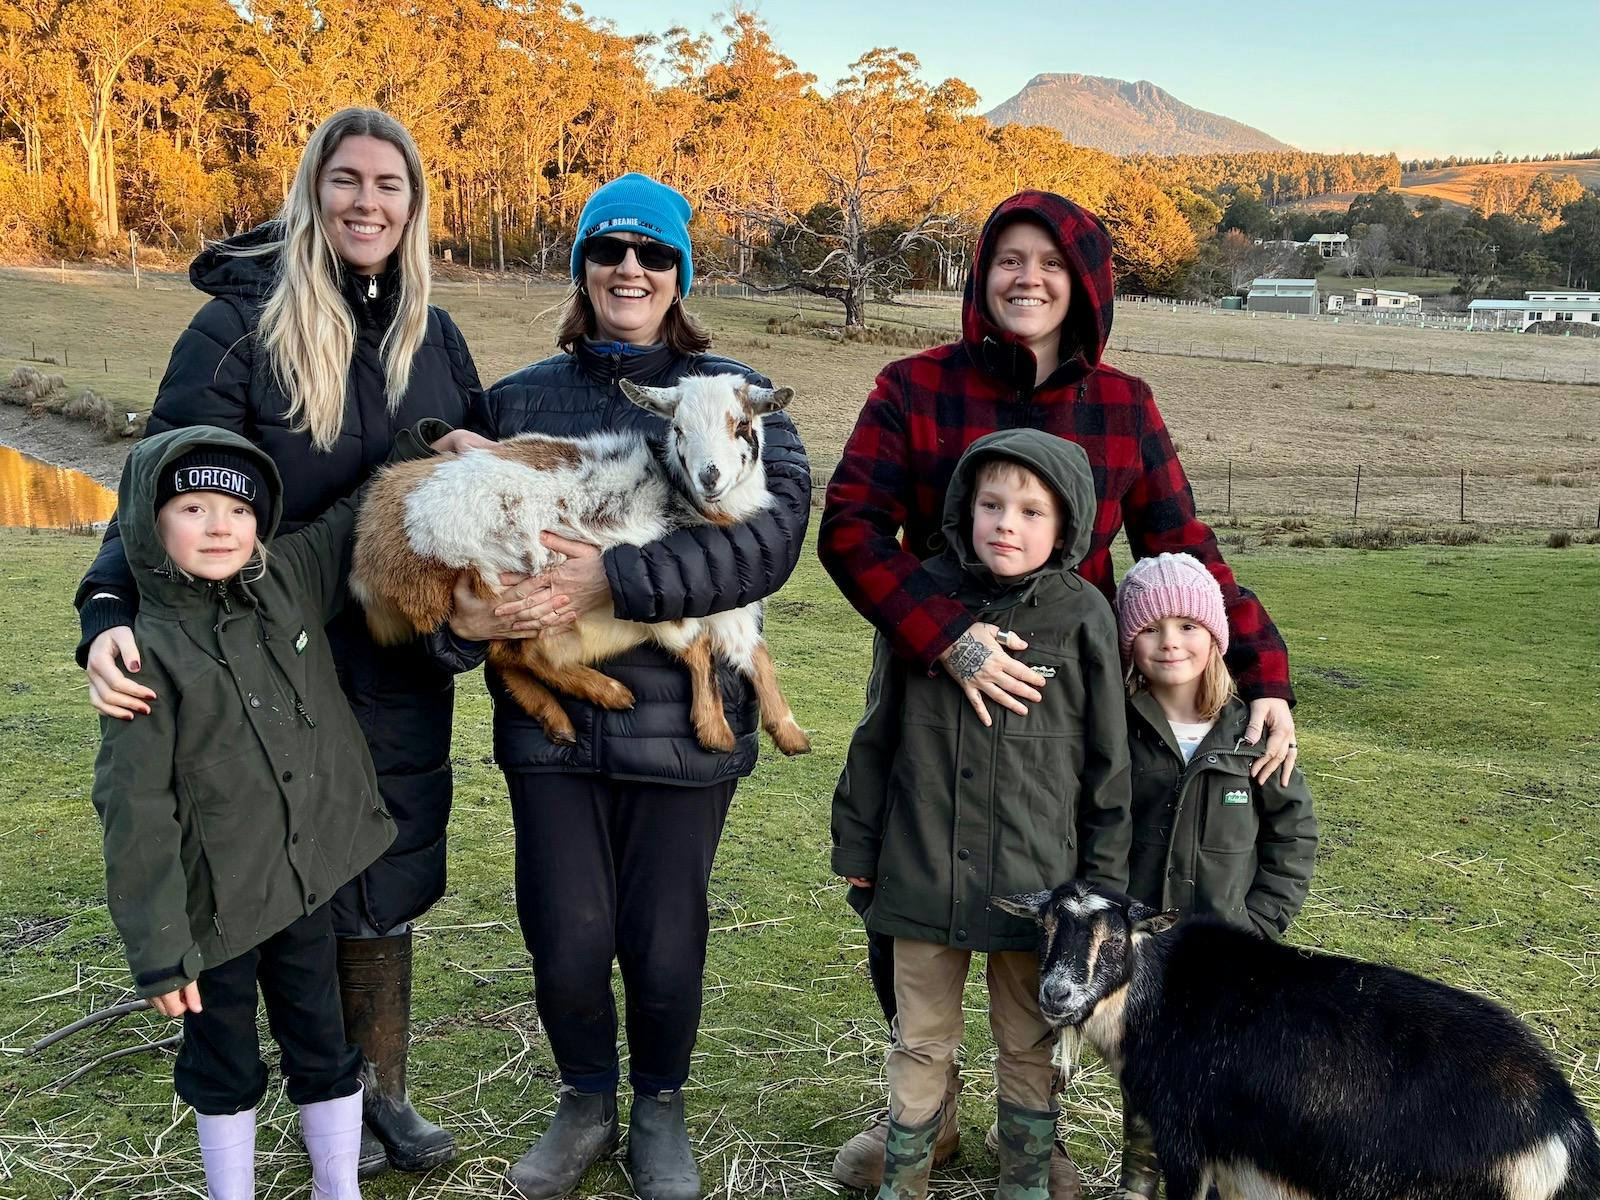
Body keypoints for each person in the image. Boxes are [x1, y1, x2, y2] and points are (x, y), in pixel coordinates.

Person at [817, 189, 1300, 1194]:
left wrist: (1263, 673)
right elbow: (850, 528)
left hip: (1056, 716)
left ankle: (1036, 1141)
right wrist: (943, 635)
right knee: (920, 925)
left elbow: (1182, 552)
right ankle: (927, 1121)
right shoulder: (914, 389)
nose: (1024, 278)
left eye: (1047, 261)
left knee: (1042, 944)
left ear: (1085, 283)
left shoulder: (1122, 407)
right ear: (980, 275)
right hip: (932, 696)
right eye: (1005, 258)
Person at [72, 108, 504, 1177]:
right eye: (347, 180)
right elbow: (165, 481)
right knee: (262, 867)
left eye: (390, 185)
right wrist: (103, 613)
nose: (368, 203)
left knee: (385, 871)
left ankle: (376, 1094)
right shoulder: (236, 328)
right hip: (263, 658)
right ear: (313, 191)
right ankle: (274, 1079)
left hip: (398, 658)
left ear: (415, 206)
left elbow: (465, 488)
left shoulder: (435, 340)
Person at [436, 173, 810, 1200]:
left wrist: (616, 576)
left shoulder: (735, 392)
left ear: (680, 273)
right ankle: (583, 1102)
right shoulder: (515, 399)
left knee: (662, 935)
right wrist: (460, 630)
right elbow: (460, 539)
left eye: (653, 255)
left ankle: (658, 1111)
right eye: (609, 252)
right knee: (564, 934)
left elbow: (768, 545)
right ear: (583, 270)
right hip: (548, 725)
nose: (630, 270)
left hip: (683, 730)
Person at [91, 426, 404, 1200]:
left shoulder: (287, 579)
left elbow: (354, 515)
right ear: (150, 525)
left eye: (236, 508)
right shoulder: (142, 653)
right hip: (214, 912)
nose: (219, 526)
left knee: (323, 1041)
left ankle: (340, 1187)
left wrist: (428, 445)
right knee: (222, 1061)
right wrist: (161, 948)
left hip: (303, 886)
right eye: (192, 508)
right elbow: (133, 811)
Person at [830, 429, 1131, 1200]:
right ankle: (907, 1177)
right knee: (920, 1038)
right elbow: (876, 733)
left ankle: (1025, 1178)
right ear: (963, 509)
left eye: (1032, 510)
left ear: (1066, 526)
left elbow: (1107, 766)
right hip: (923, 867)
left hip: (1038, 888)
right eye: (991, 504)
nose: (1007, 522)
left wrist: (1098, 885)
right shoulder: (921, 600)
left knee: (1028, 1040)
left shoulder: (1084, 615)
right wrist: (858, 844)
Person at [1111, 551, 1318, 1198]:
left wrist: (1258, 924)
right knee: (1148, 1078)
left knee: (1230, 1083)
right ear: (1128, 642)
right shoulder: (1118, 728)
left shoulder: (1255, 731)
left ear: (1216, 637)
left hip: (1230, 956)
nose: (1170, 642)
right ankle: (1142, 1183)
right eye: (1149, 628)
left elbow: (1293, 835)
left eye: (1187, 626)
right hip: (1145, 956)